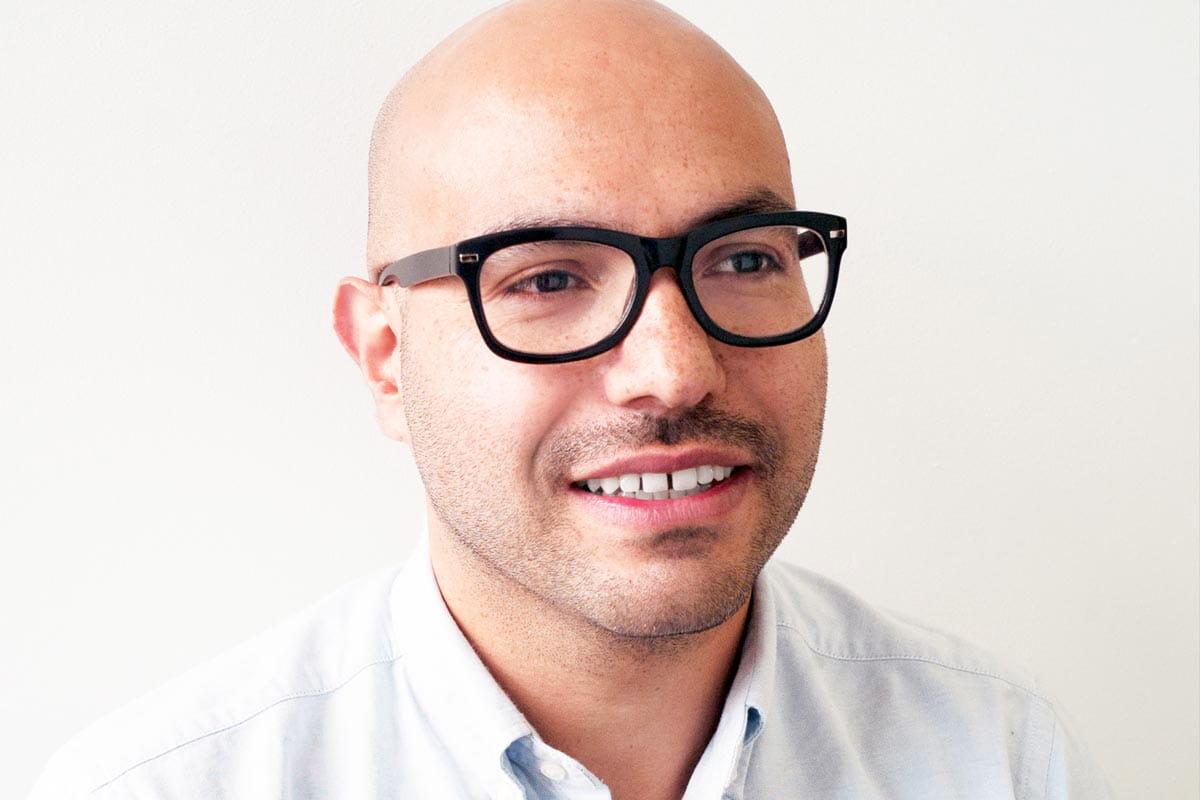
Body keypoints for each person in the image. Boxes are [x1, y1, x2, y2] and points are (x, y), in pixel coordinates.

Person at [30, 1, 1112, 797]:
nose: (675, 369)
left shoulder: (998, 756)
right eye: (547, 278)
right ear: (384, 354)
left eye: (740, 259)